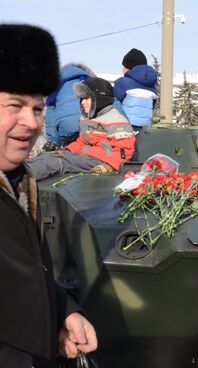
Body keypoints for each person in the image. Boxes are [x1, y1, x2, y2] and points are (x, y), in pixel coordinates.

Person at [0, 23, 97, 367]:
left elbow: (25, 279)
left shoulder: (20, 180)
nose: (31, 122)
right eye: (14, 105)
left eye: (38, 108)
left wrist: (64, 313)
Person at [28, 77, 135, 180]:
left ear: (100, 98)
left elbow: (124, 151)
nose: (82, 102)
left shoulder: (115, 120)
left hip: (103, 162)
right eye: (81, 99)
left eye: (87, 98)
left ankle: (22, 179)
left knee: (57, 162)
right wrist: (65, 151)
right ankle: (19, 172)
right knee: (49, 155)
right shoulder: (88, 118)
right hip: (88, 158)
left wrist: (111, 166)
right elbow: (81, 143)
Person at [44, 63, 94, 148]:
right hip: (88, 126)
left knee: (70, 155)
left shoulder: (56, 88)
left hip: (67, 129)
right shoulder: (89, 82)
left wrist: (54, 143)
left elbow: (50, 120)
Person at [113, 48, 157, 130]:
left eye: (124, 66)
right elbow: (152, 105)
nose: (122, 69)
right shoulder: (152, 86)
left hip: (126, 127)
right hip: (145, 127)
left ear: (130, 68)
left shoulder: (123, 82)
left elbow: (114, 103)